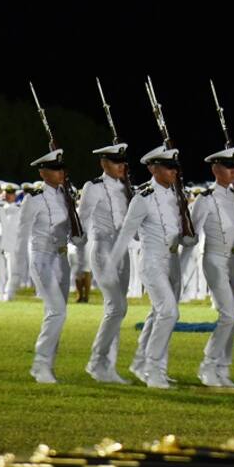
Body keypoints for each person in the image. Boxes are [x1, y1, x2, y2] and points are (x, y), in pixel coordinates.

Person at [108, 145, 196, 389]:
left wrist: (188, 237)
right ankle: (153, 369)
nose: (174, 172)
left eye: (175, 167)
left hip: (173, 261)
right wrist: (110, 266)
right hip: (153, 261)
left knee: (158, 314)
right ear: (153, 168)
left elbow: (180, 230)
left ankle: (142, 364)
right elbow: (127, 233)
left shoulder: (176, 195)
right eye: (169, 167)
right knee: (169, 313)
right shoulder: (143, 197)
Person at [20, 149, 88, 384]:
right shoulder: (35, 198)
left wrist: (78, 237)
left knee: (57, 313)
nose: (61, 173)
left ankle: (48, 364)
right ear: (43, 172)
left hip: (61, 259)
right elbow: (21, 233)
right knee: (57, 311)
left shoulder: (66, 196)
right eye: (55, 169)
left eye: (62, 169)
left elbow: (72, 230)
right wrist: (20, 270)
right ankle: (40, 366)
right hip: (42, 258)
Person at [192, 146, 234, 389]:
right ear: (216, 169)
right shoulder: (205, 199)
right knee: (228, 314)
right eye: (229, 167)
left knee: (231, 315)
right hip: (214, 259)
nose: (233, 171)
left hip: (231, 260)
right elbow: (192, 233)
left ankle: (220, 368)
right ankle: (207, 366)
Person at [78, 143, 133, 384]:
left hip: (123, 251)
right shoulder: (93, 187)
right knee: (116, 307)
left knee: (118, 311)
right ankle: (96, 361)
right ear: (103, 163)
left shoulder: (126, 189)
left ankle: (108, 367)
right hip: (103, 249)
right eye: (115, 162)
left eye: (122, 162)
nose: (120, 166)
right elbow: (81, 221)